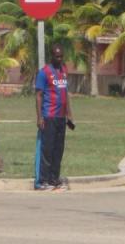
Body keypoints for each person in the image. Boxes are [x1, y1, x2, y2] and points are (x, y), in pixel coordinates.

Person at [35, 45, 75, 191]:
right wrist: (39, 117)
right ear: (51, 56)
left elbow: (66, 94)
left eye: (61, 56)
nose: (59, 59)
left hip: (61, 117)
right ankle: (43, 180)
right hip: (49, 115)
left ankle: (54, 178)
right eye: (57, 56)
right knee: (48, 149)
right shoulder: (44, 72)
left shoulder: (64, 70)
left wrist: (69, 115)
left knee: (59, 149)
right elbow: (39, 96)